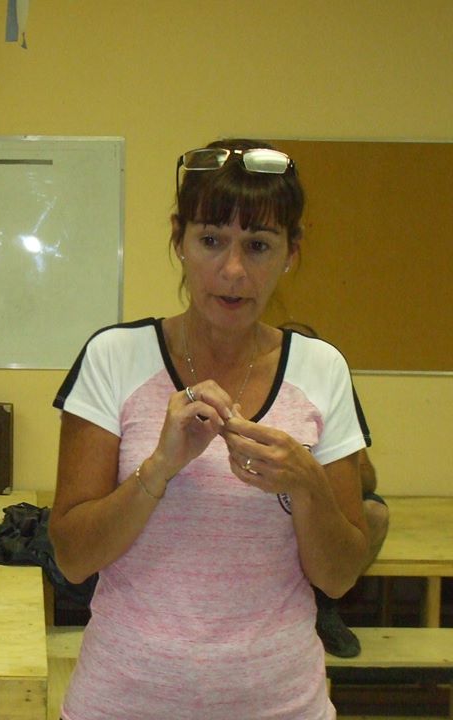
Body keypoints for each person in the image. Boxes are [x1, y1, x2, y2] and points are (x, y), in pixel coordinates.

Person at [49, 139, 373, 719]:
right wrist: (159, 469)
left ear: (292, 253)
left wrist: (306, 482)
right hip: (125, 702)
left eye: (259, 245)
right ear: (179, 240)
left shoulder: (322, 369)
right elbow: (72, 558)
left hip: (282, 705)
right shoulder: (114, 358)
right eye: (211, 240)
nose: (233, 270)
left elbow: (340, 576)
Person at [279, 322, 390, 657]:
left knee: (375, 513)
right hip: (269, 499)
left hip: (320, 499)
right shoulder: (259, 383)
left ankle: (325, 607)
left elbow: (367, 478)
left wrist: (314, 469)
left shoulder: (329, 385)